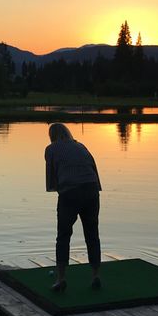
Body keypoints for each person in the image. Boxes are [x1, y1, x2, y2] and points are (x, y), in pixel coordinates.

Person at [45, 123, 102, 292]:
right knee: (92, 234)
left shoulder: (51, 149)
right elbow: (93, 168)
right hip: (91, 189)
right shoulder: (81, 145)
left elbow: (51, 177)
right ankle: (95, 275)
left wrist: (57, 190)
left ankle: (61, 278)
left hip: (70, 192)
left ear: (52, 135)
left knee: (63, 236)